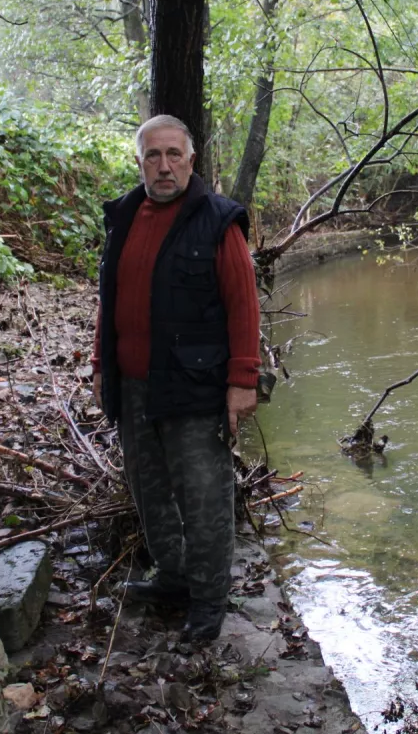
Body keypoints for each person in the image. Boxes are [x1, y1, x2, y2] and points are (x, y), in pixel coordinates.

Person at [93, 114, 260, 642]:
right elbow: (109, 301)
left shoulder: (218, 220)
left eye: (173, 155)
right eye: (152, 156)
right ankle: (171, 577)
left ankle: (209, 602)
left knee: (206, 497)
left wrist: (243, 380)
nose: (163, 166)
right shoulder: (123, 216)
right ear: (139, 161)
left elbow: (243, 305)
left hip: (194, 387)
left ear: (192, 160)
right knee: (149, 490)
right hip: (134, 384)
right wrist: (101, 365)